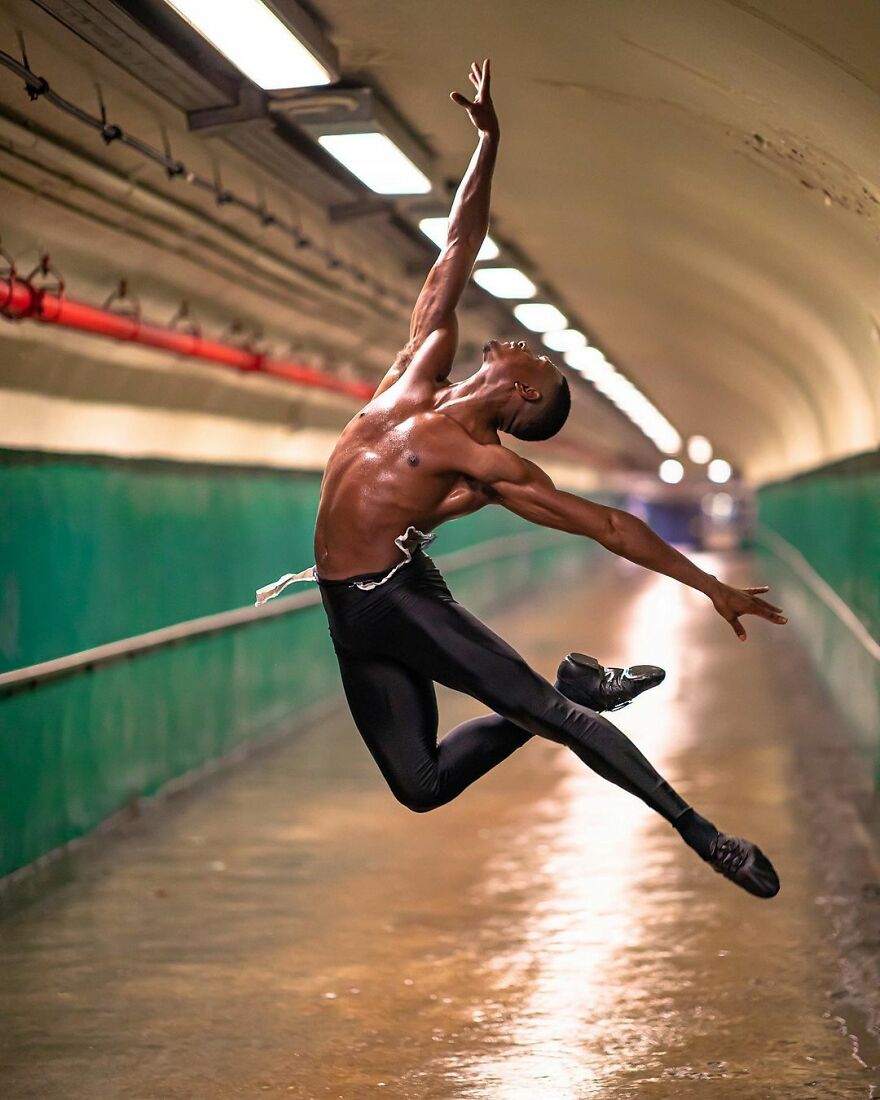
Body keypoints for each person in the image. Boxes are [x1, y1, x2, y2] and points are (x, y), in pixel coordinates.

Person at [257, 60, 787, 898]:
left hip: (398, 598)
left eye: (534, 356)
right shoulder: (417, 367)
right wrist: (487, 144)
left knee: (559, 722)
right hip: (347, 608)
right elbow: (456, 248)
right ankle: (572, 684)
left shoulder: (491, 464)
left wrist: (709, 585)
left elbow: (609, 525)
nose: (520, 343)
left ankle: (704, 834)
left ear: (525, 394)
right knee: (420, 785)